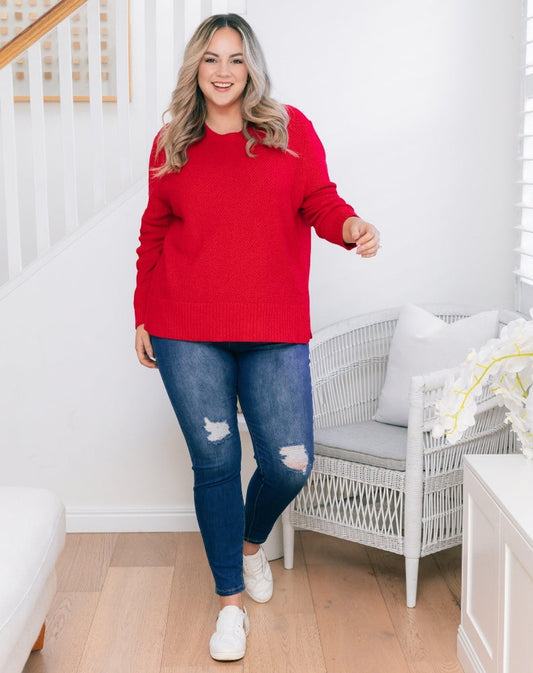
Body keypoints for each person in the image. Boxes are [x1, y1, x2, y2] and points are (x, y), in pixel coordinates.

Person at [134, 13, 380, 662]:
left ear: (252, 67)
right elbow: (154, 231)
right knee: (215, 463)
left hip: (272, 325)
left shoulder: (288, 130)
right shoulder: (171, 142)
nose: (223, 72)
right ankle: (229, 606)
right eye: (211, 59)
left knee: (289, 463)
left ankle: (248, 547)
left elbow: (320, 202)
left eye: (235, 59)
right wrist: (142, 313)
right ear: (195, 67)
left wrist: (351, 226)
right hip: (185, 327)